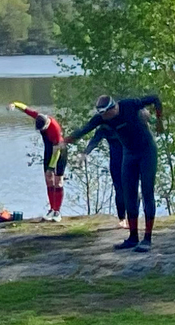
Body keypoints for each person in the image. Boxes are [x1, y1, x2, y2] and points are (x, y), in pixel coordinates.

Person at [69, 94, 165, 252]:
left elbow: (155, 98)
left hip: (146, 151)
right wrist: (64, 141)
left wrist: (159, 120)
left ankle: (147, 238)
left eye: (105, 113)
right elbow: (85, 129)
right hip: (129, 154)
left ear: (113, 107)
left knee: (147, 192)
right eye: (101, 115)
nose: (104, 117)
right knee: (128, 194)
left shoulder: (129, 104)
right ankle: (133, 237)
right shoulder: (103, 119)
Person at [10, 102, 69, 222]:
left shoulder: (54, 128)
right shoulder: (39, 117)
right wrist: (14, 104)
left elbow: (57, 150)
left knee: (58, 182)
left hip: (59, 151)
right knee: (49, 181)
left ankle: (57, 211)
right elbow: (26, 109)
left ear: (47, 124)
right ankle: (51, 209)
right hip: (48, 150)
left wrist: (51, 167)